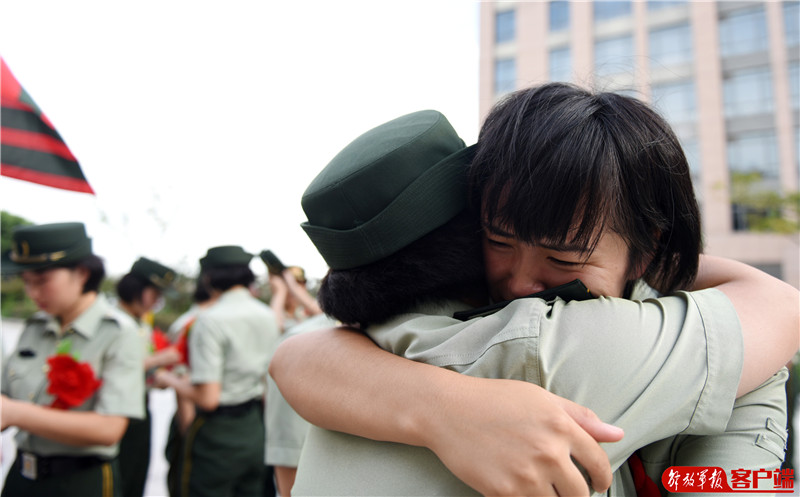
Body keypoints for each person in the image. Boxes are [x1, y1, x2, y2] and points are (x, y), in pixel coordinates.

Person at [270, 91, 798, 496]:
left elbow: (298, 353)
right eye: (497, 241)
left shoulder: (366, 342)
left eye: (565, 258)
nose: (522, 284)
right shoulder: (560, 340)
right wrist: (661, 261)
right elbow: (780, 307)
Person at [1, 222, 145, 497]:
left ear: (81, 273)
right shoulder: (35, 327)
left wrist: (14, 413)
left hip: (79, 482)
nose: (33, 293)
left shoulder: (118, 333)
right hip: (22, 478)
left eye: (42, 281)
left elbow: (110, 428)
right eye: (27, 282)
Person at [153, 245, 280, 497]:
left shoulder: (209, 320)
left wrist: (167, 377)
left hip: (217, 434)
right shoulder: (267, 315)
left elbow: (208, 398)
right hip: (254, 426)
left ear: (208, 278)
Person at [260, 260, 335, 497]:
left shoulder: (308, 314)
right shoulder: (276, 312)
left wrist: (291, 287)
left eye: (301, 284)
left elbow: (321, 313)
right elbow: (274, 328)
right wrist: (280, 293)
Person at [115, 256, 180, 497]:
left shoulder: (140, 323)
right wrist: (158, 360)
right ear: (137, 289)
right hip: (117, 411)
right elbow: (115, 368)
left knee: (135, 475)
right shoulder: (115, 323)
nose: (157, 302)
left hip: (140, 407)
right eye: (155, 294)